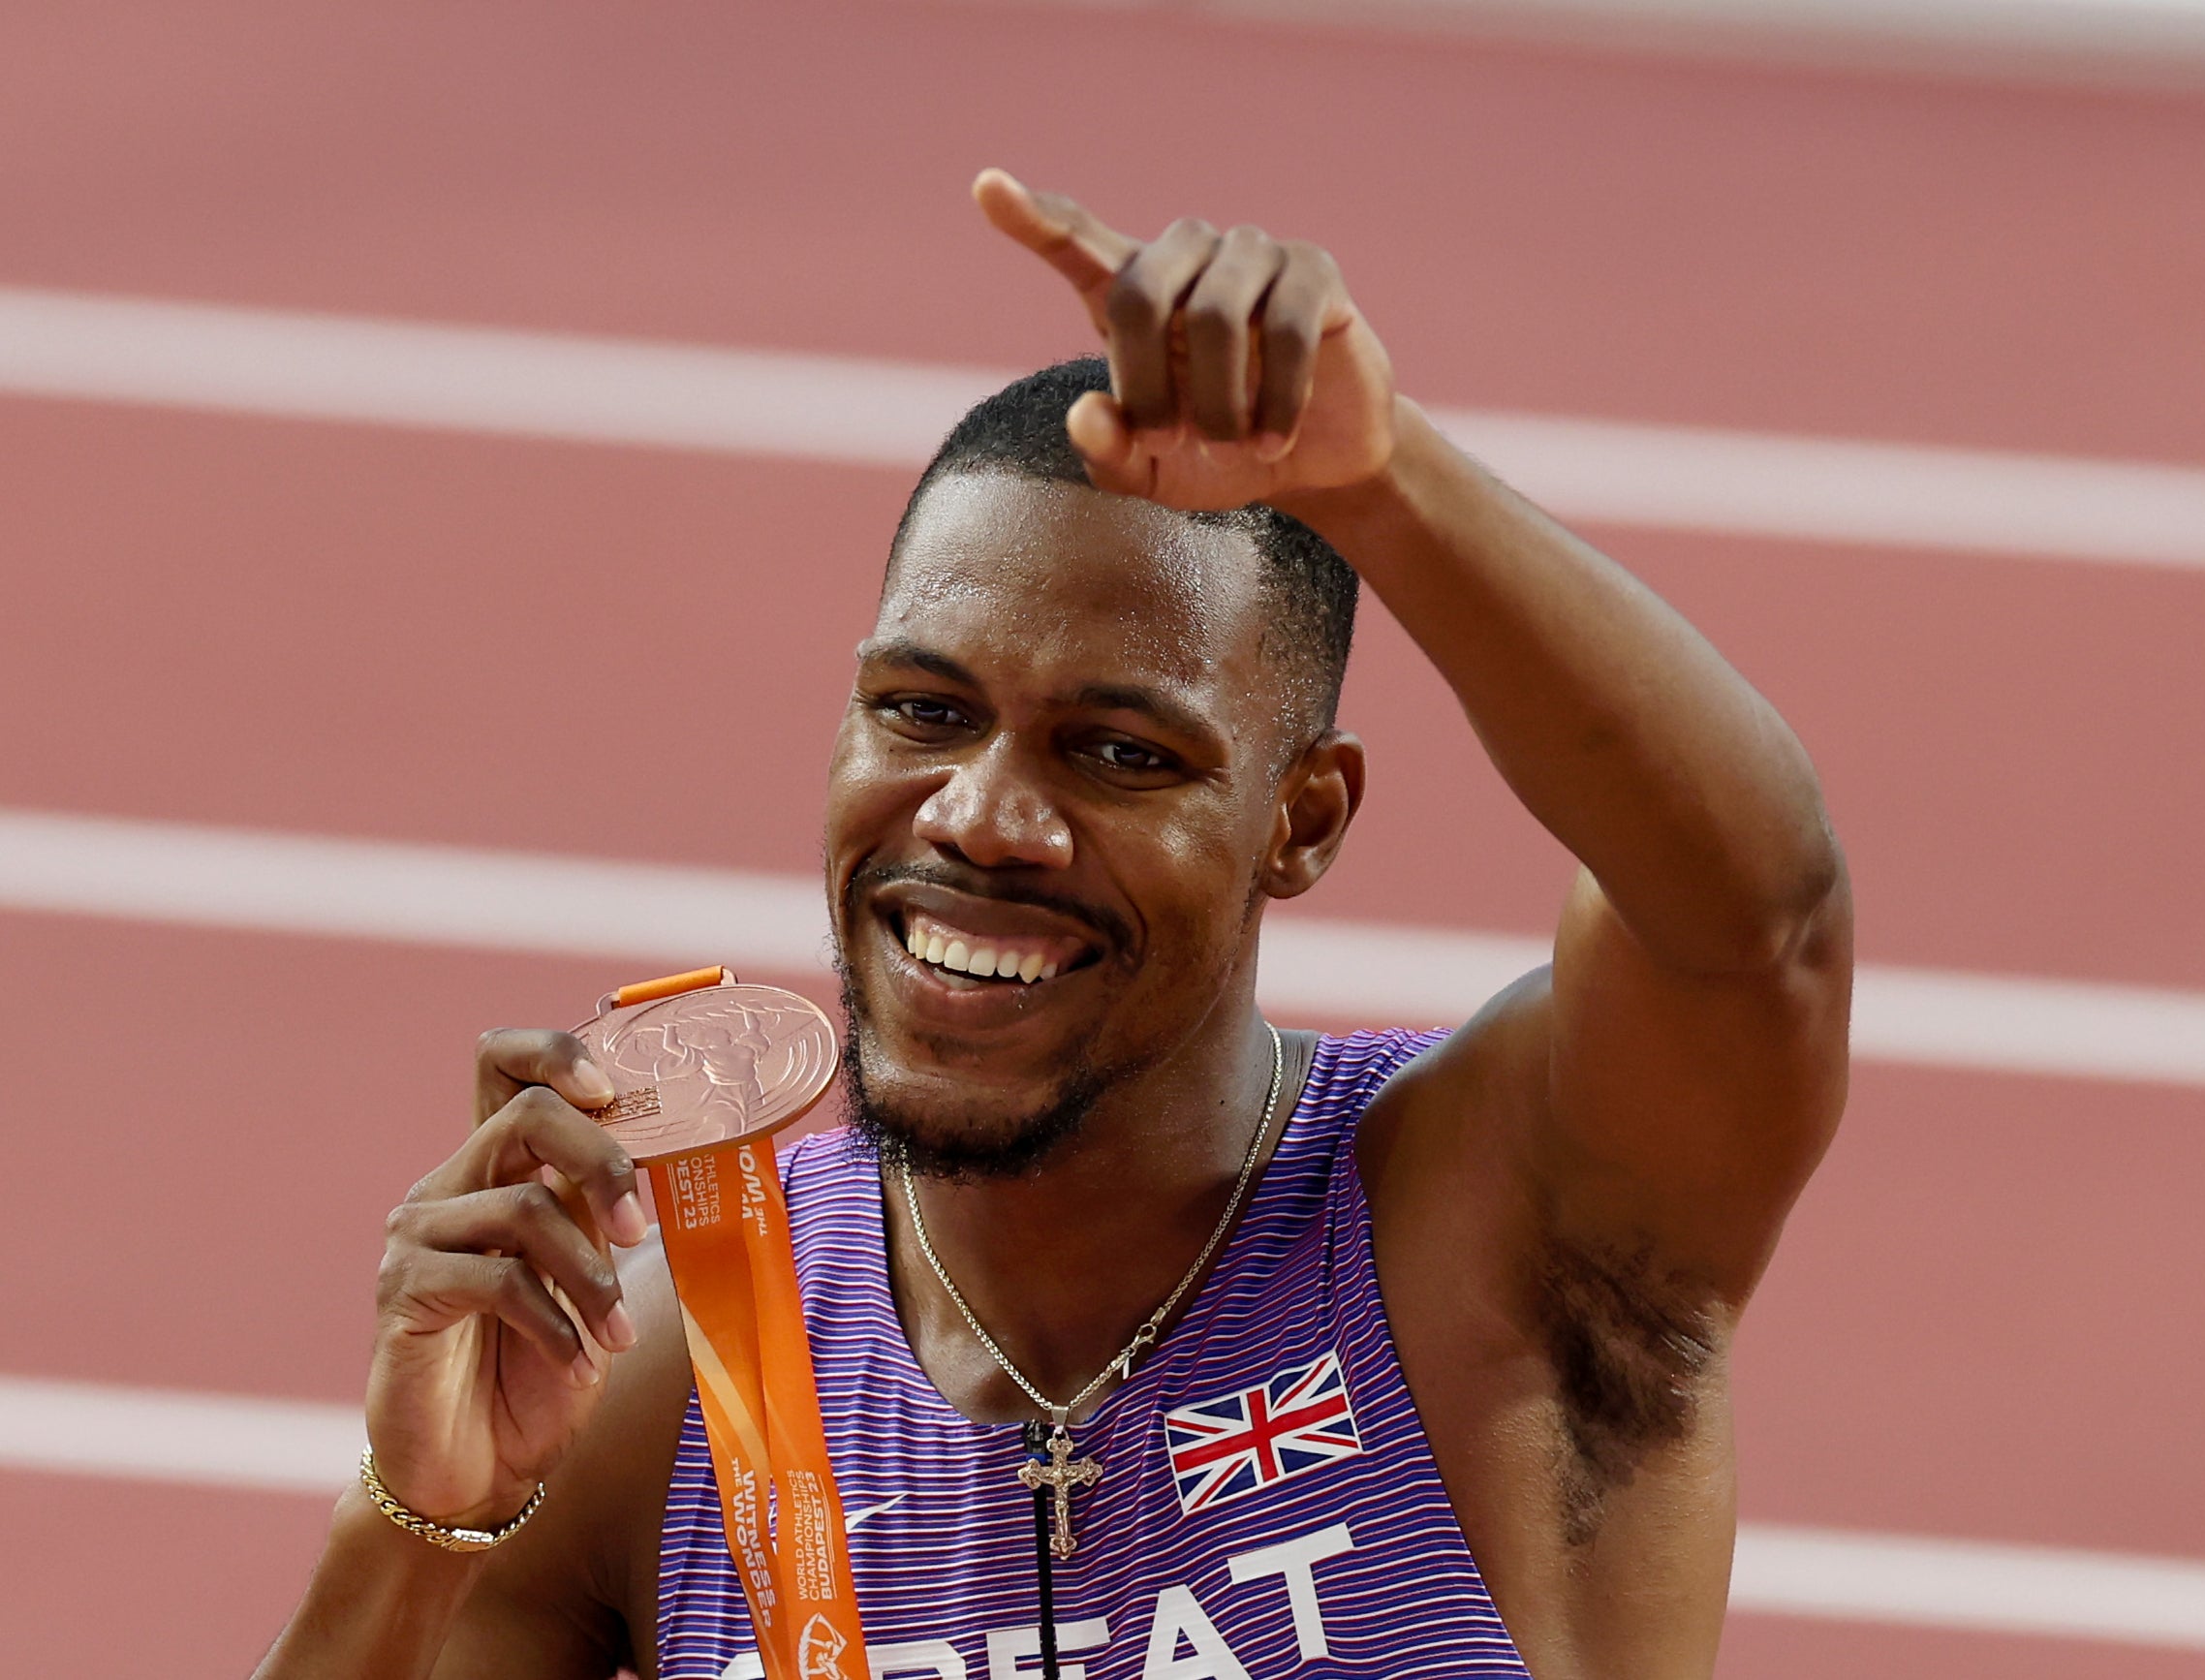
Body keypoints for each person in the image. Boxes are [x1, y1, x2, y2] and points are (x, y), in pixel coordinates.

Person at [256, 171, 1851, 1680]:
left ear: (1302, 817)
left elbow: (1757, 923)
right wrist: (423, 1524)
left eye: (1119, 751)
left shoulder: (1501, 1226)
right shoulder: (670, 1368)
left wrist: (1383, 486)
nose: (979, 816)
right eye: (923, 710)